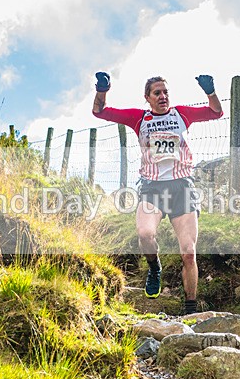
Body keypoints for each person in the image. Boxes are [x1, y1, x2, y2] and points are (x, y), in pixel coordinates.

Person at [92, 73, 223, 316]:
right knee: (145, 233)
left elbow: (216, 112)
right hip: (152, 188)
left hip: (181, 187)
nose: (163, 97)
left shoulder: (181, 114)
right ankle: (154, 268)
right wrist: (102, 89)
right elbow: (100, 111)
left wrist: (210, 91)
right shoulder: (139, 118)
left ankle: (190, 309)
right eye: (157, 93)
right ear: (148, 98)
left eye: (165, 92)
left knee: (188, 252)